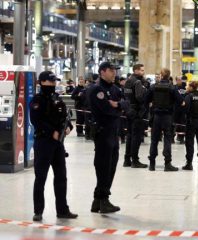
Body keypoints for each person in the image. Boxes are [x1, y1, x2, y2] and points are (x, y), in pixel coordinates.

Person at [30, 71, 77, 222]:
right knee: (41, 178)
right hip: (44, 142)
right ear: (42, 82)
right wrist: (52, 133)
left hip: (58, 145)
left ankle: (62, 210)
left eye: (54, 81)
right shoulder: (37, 100)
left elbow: (65, 117)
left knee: (61, 177)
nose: (53, 84)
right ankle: (38, 211)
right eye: (50, 82)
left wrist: (69, 127)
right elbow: (36, 121)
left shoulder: (57, 99)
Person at [87, 62, 128, 213]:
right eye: (111, 70)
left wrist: (117, 105)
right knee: (103, 166)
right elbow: (106, 111)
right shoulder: (96, 89)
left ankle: (98, 200)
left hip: (114, 132)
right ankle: (104, 200)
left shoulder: (115, 89)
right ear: (102, 72)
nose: (114, 73)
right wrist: (118, 108)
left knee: (112, 166)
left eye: (115, 70)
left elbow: (127, 105)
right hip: (103, 133)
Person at [145, 68, 184, 171]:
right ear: (169, 76)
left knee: (154, 140)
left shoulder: (153, 87)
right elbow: (181, 101)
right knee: (167, 139)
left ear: (161, 75)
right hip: (167, 117)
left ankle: (152, 164)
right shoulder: (172, 88)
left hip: (156, 116)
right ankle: (167, 164)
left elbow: (146, 99)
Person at [123, 64, 148, 168]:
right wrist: (145, 92)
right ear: (136, 70)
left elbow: (125, 95)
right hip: (137, 111)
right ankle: (135, 161)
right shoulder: (138, 82)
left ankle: (127, 160)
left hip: (128, 110)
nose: (143, 72)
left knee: (129, 135)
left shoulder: (128, 81)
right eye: (142, 70)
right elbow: (139, 97)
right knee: (136, 137)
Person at [173, 75, 187, 144]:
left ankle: (181, 138)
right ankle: (172, 137)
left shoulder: (185, 87)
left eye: (181, 79)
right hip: (175, 108)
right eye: (178, 79)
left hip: (183, 109)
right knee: (173, 123)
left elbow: (187, 96)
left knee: (182, 124)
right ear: (176, 80)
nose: (180, 81)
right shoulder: (174, 87)